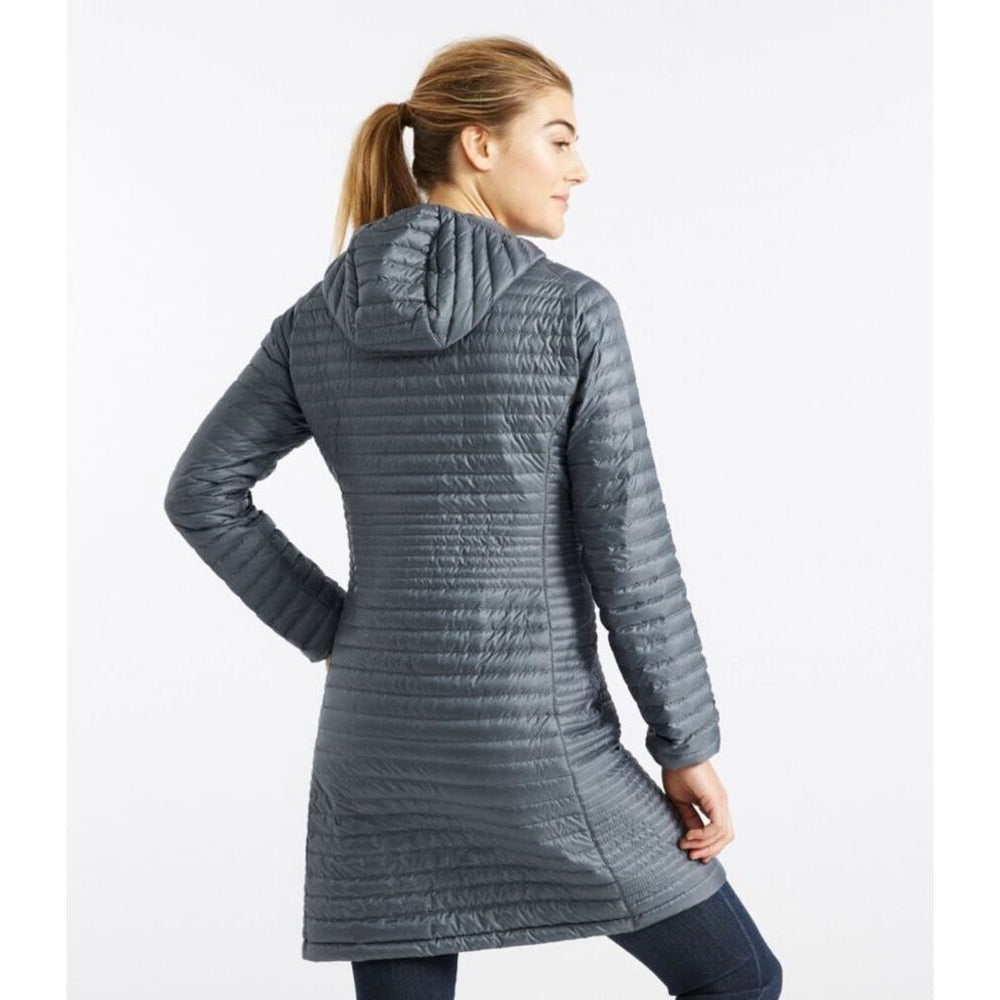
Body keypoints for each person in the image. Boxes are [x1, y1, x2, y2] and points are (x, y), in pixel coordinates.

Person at [163, 34, 782, 1000]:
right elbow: (630, 552)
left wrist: (338, 632)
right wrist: (686, 744)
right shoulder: (572, 313)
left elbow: (202, 493)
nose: (580, 168)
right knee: (739, 979)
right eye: (560, 139)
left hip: (374, 746)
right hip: (539, 742)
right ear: (480, 145)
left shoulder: (314, 321)